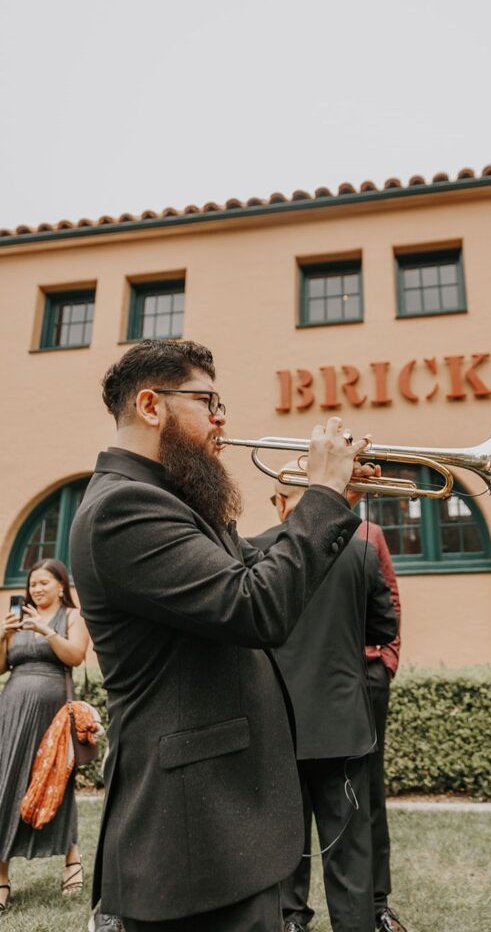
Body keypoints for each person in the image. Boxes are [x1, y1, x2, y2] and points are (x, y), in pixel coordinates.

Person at [69, 338, 371, 932]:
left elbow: (247, 572)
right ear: (152, 405)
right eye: (208, 401)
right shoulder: (121, 507)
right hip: (191, 836)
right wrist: (323, 498)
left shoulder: (164, 499)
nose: (222, 418)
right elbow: (255, 605)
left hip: (220, 826)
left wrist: (337, 506)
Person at [250, 478, 397, 932]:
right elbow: (382, 626)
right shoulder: (361, 550)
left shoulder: (255, 550)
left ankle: (291, 920)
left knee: (283, 843)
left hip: (278, 724)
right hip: (342, 727)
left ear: (280, 505)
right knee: (349, 853)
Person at [0, 557, 90, 913]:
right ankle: (2, 877)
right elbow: (1, 666)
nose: (36, 589)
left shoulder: (71, 617)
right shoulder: (19, 619)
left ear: (61, 587)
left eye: (43, 583)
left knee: (51, 782)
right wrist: (4, 635)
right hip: (10, 708)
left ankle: (71, 859)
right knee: (5, 784)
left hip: (50, 712)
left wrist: (46, 631)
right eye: (32, 584)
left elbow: (77, 656)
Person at [359, 519, 406, 932]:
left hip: (368, 671)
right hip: (314, 680)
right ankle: (291, 914)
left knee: (371, 790)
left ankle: (377, 903)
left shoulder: (370, 534)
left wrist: (386, 661)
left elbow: (391, 597)